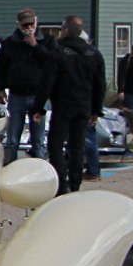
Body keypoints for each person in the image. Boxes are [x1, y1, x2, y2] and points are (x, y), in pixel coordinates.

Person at [47, 16, 106, 195]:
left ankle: (60, 182)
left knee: (56, 144)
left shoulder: (57, 52)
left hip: (62, 105)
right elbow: (100, 85)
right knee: (77, 144)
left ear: (65, 30)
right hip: (84, 107)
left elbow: (48, 81)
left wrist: (39, 105)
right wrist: (96, 109)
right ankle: (75, 182)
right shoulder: (94, 54)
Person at [0, 7, 54, 164]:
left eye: (31, 24)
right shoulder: (10, 43)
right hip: (17, 95)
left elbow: (52, 63)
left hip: (39, 96)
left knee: (38, 139)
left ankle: (40, 171)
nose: (29, 28)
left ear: (36, 22)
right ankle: (9, 167)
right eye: (25, 25)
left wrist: (35, 45)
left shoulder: (47, 42)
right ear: (18, 25)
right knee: (12, 138)